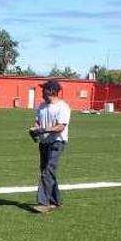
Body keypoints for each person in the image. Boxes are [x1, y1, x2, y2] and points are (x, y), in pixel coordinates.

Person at [28, 79, 71, 214]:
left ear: (51, 91)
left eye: (44, 89)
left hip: (57, 142)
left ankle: (43, 203)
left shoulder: (63, 107)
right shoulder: (41, 106)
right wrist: (34, 130)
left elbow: (61, 126)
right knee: (47, 171)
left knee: (48, 170)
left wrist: (44, 130)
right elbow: (37, 122)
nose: (41, 91)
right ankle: (55, 201)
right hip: (44, 142)